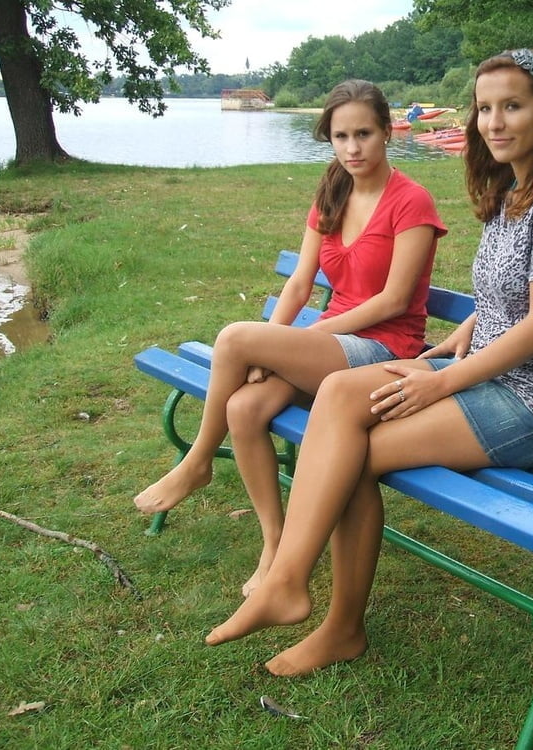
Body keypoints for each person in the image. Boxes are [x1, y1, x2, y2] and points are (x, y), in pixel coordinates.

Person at [203, 48, 533, 677]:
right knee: (340, 395)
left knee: (352, 456)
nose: (495, 121)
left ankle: (331, 620)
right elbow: (513, 296)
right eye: (484, 108)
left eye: (512, 106)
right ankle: (290, 579)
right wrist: (467, 330)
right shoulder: (514, 192)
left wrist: (441, 380)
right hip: (487, 373)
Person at [134, 79, 447, 596]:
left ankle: (197, 463)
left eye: (364, 133)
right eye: (341, 136)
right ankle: (274, 546)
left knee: (234, 339)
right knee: (245, 409)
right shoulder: (332, 192)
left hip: (383, 349)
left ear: (389, 131)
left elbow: (393, 301)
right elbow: (301, 283)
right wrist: (274, 346)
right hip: (328, 347)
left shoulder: (410, 202)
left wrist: (281, 341)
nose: (352, 148)